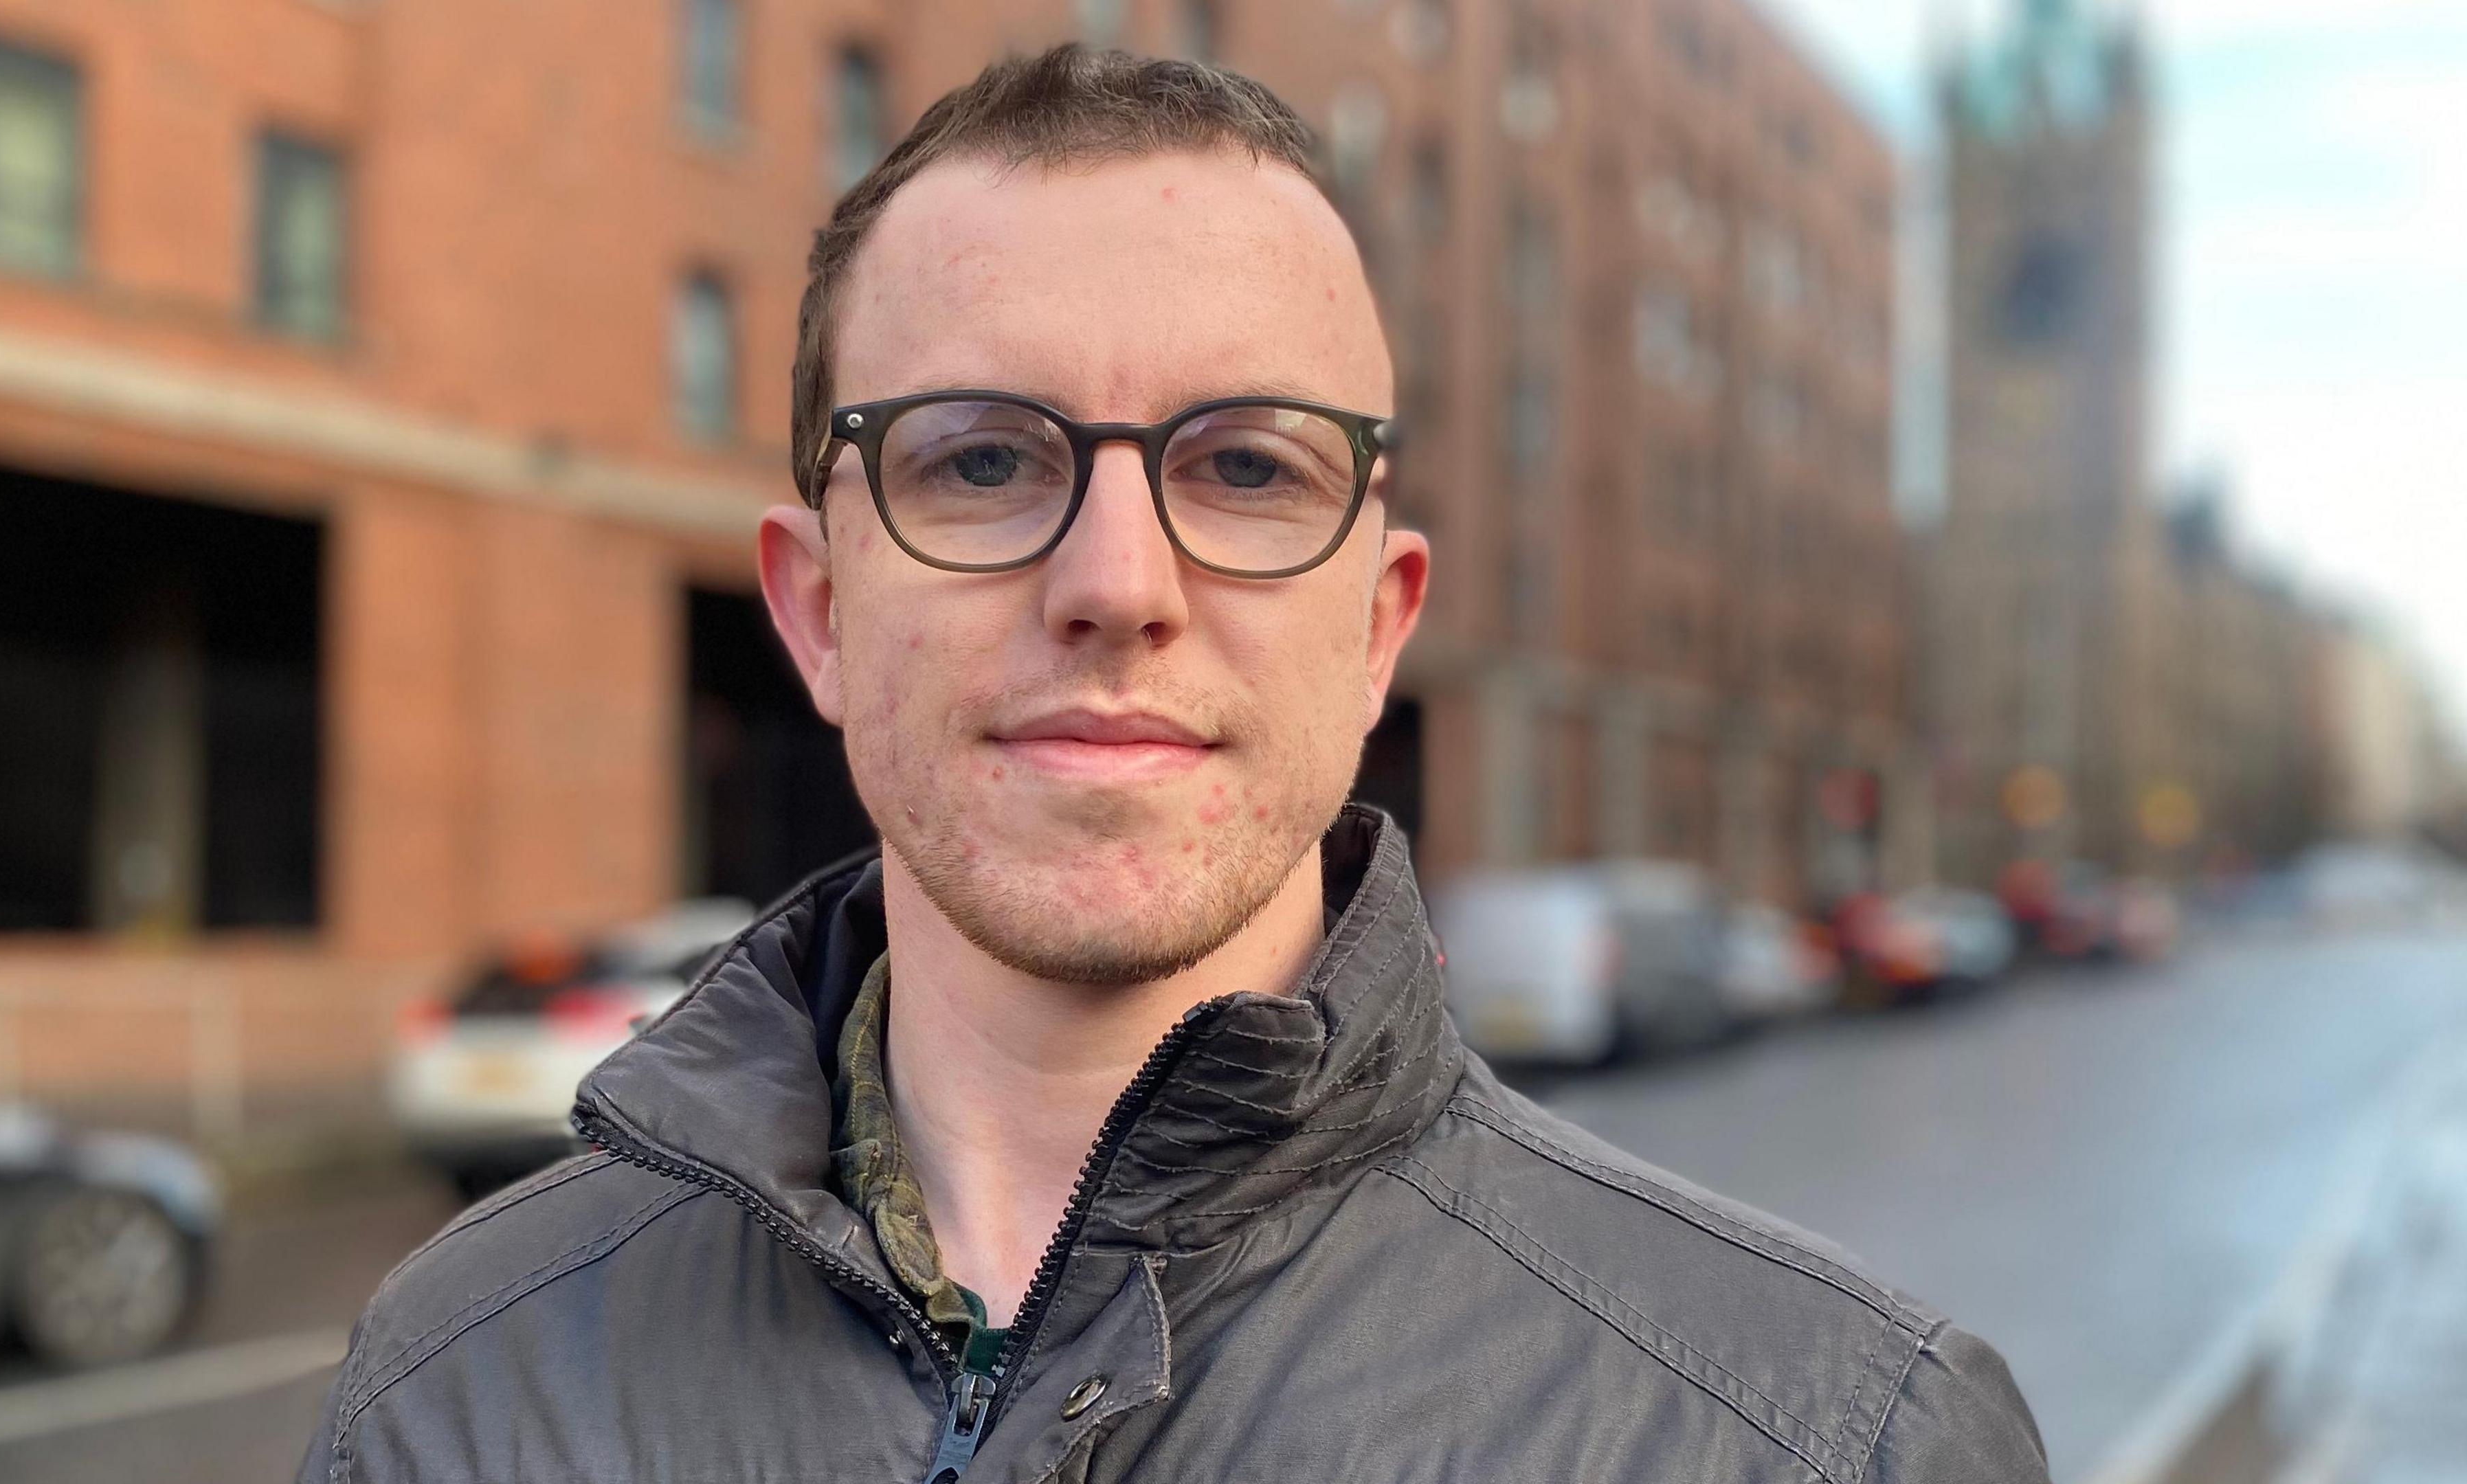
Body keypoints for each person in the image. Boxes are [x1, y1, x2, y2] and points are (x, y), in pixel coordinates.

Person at [299, 45, 2048, 1484]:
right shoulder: (454, 1391)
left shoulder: (1829, 1442)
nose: (1117, 586)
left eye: (1247, 471)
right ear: (819, 611)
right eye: (980, 463)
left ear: (1379, 627)